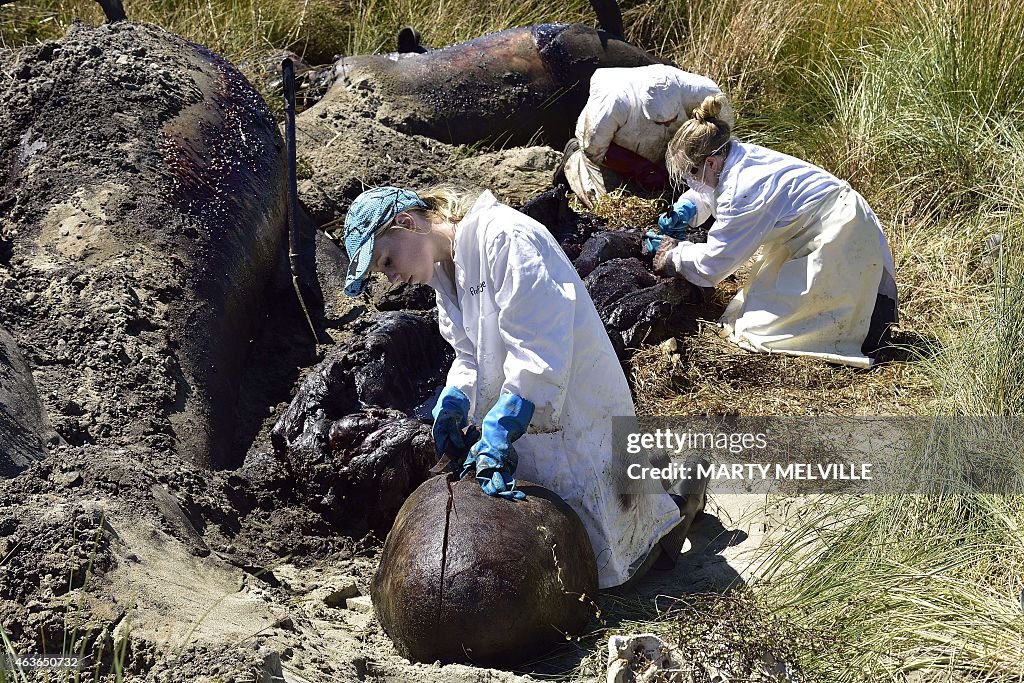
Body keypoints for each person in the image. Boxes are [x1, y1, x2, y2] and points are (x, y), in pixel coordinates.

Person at [341, 185, 694, 589]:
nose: (391, 277)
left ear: (407, 222)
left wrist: (507, 420)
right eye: (381, 273)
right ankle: (665, 491)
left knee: (619, 559)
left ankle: (682, 501)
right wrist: (457, 398)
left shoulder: (504, 238)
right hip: (529, 412)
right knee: (578, 540)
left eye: (386, 260)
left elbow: (540, 347)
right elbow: (470, 355)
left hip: (570, 401)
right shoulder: (444, 273)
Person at [651, 94, 898, 368]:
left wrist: (673, 255)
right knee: (756, 308)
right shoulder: (732, 155)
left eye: (691, 172)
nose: (690, 181)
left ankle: (862, 335)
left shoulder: (742, 191)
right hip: (820, 223)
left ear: (710, 162)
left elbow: (714, 264)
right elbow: (709, 189)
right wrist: (686, 206)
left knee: (768, 330)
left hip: (839, 231)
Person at [560, 64, 735, 209]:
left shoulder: (704, 93)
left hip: (670, 149)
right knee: (613, 208)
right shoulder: (612, 104)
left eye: (672, 119)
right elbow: (595, 151)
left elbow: (721, 138)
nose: (666, 124)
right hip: (611, 148)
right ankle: (574, 157)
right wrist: (641, 169)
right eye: (659, 122)